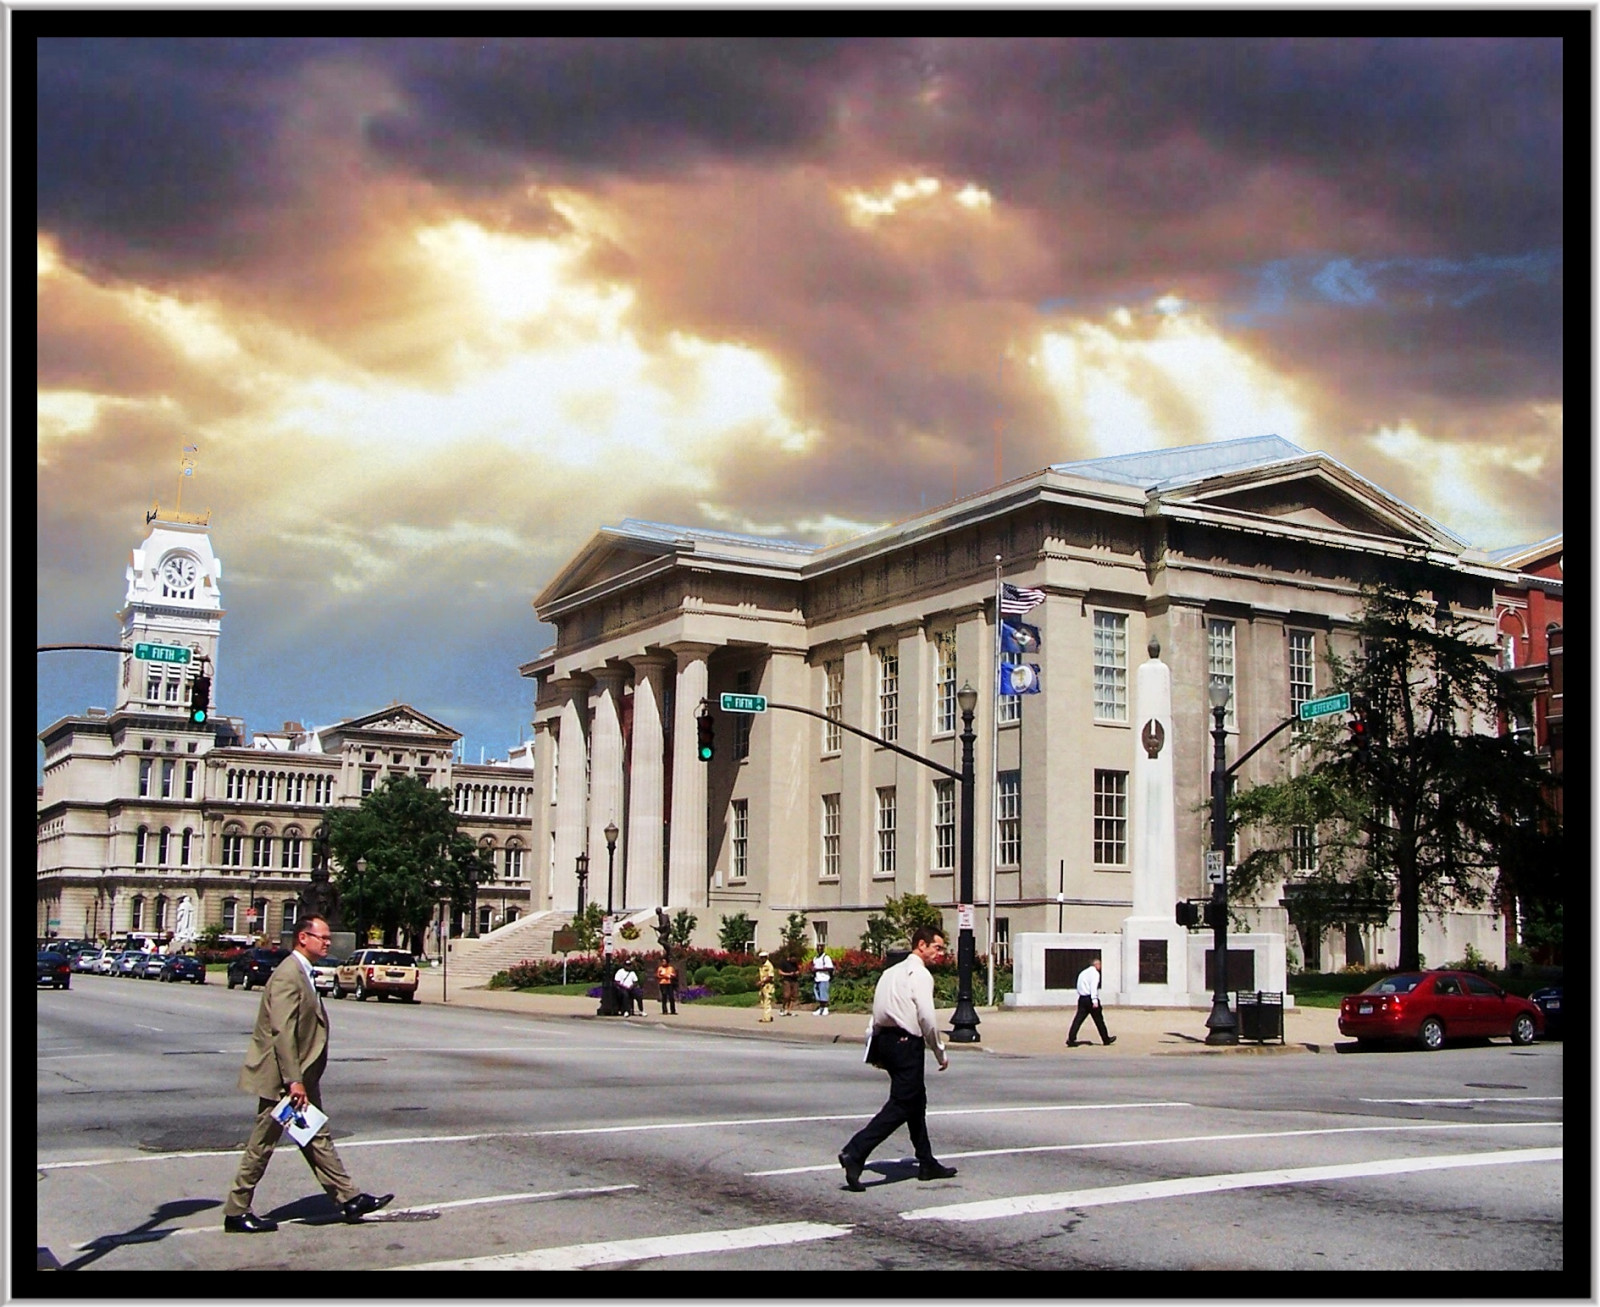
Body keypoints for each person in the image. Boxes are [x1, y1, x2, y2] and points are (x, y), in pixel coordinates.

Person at [221, 916, 393, 1233]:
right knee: (262, 1143)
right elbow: (282, 1032)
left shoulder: (302, 972)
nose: (328, 942)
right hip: (283, 1079)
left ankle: (349, 1198)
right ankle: (236, 1210)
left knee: (316, 1136)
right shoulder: (288, 975)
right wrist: (293, 1080)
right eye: (323, 937)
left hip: (299, 1075)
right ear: (303, 937)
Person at [838, 928, 958, 1191]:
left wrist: (876, 1048)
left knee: (915, 1100)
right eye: (937, 948)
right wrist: (939, 1050)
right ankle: (855, 1152)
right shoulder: (920, 974)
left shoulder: (889, 973)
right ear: (922, 945)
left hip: (887, 1041)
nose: (941, 954)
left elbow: (877, 1012)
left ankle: (926, 1162)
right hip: (906, 1044)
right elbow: (926, 1016)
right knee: (903, 1104)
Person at [1066, 956, 1117, 1047]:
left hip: (1082, 998)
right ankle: (1106, 1039)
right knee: (1099, 1020)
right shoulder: (1095, 974)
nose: (1100, 966)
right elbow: (1093, 987)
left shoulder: (1083, 973)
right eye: (1100, 964)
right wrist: (1095, 1000)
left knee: (1078, 1020)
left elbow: (1079, 985)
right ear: (1096, 964)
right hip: (1090, 998)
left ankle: (1071, 1038)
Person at [811, 948, 834, 1016]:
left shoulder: (826, 957)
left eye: (820, 949)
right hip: (817, 978)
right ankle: (821, 1008)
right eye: (818, 949)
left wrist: (818, 969)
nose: (819, 950)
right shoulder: (815, 958)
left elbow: (830, 968)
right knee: (818, 995)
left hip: (824, 978)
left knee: (824, 994)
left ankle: (825, 1008)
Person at [756, 951, 776, 1023]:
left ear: (766, 958)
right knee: (763, 1002)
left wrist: (761, 982)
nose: (761, 959)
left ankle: (767, 1018)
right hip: (763, 986)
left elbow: (770, 976)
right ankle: (765, 1016)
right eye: (760, 958)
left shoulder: (769, 965)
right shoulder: (762, 965)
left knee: (767, 1002)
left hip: (768, 986)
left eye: (763, 958)